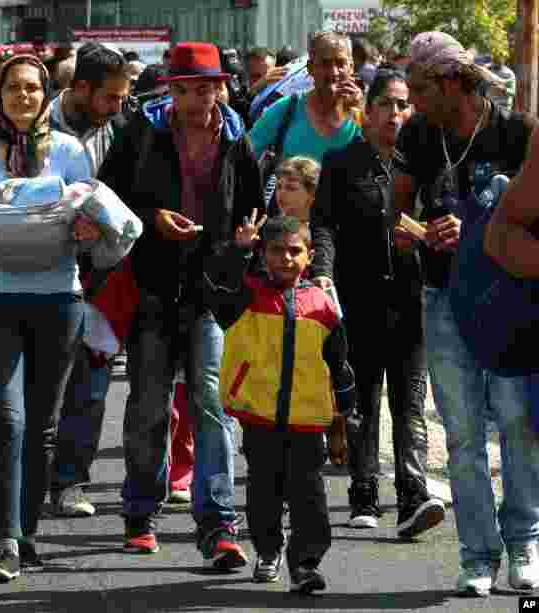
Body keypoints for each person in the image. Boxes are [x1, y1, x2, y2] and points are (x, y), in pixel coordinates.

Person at [97, 41, 260, 565]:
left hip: (210, 292)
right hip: (152, 287)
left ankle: (218, 525)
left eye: (206, 88)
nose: (197, 99)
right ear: (171, 89)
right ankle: (141, 514)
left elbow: (254, 204)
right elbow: (106, 199)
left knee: (211, 405)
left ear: (221, 87)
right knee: (149, 403)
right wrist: (153, 218)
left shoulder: (237, 137)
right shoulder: (141, 132)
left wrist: (244, 240)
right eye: (186, 89)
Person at [392, 31, 539, 596]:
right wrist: (422, 233)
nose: (413, 96)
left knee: (518, 425)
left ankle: (525, 540)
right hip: (444, 298)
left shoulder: (518, 131)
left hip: (509, 302)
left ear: (453, 81)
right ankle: (478, 555)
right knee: (461, 435)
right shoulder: (419, 133)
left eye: (422, 86)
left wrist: (484, 227)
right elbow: (395, 221)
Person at [0, 54, 95, 582]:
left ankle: (28, 535)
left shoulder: (69, 150)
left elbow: (92, 219)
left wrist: (89, 231)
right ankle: (5, 540)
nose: (23, 96)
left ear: (44, 95)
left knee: (42, 426)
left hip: (58, 299)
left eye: (33, 88)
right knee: (6, 420)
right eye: (13, 87)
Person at [311, 69, 445, 536]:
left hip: (413, 301)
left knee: (409, 403)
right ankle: (363, 493)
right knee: (364, 402)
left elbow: (445, 219)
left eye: (403, 105)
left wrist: (433, 236)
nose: (396, 113)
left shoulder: (427, 165)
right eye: (386, 104)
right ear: (366, 112)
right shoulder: (341, 162)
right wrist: (323, 274)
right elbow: (323, 223)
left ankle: (413, 495)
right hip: (359, 300)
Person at [205, 215, 357, 593]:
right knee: (264, 492)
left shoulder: (322, 305)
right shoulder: (247, 295)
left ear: (309, 257)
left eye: (295, 251)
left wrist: (344, 412)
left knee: (309, 495)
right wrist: (238, 252)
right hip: (260, 416)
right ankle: (268, 549)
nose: (285, 258)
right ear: (262, 253)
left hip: (308, 418)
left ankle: (305, 564)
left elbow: (339, 363)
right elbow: (217, 295)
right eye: (276, 250)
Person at [46, 41, 131, 517]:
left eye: (123, 98)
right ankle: (28, 480)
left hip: (102, 274)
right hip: (41, 270)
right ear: (80, 88)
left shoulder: (119, 129)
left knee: (92, 382)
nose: (119, 107)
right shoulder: (33, 125)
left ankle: (71, 481)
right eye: (110, 98)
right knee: (42, 386)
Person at [250, 31, 363, 167]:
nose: (333, 72)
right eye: (325, 63)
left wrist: (362, 111)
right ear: (310, 68)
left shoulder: (361, 115)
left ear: (351, 67)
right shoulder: (287, 109)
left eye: (340, 63)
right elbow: (243, 156)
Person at [274, 156, 318, 222]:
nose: (281, 193)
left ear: (312, 193)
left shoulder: (322, 230)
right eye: (279, 186)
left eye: (291, 188)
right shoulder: (272, 227)